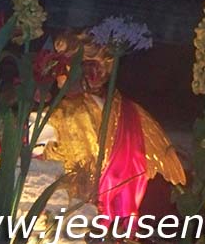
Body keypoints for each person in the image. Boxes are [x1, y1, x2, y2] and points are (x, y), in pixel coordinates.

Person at [40, 31, 186, 217]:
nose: (57, 75)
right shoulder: (124, 110)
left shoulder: (126, 114)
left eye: (63, 68)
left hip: (95, 212)